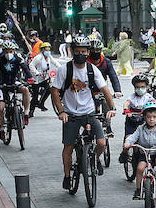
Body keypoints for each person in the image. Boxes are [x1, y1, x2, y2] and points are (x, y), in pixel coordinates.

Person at [50, 35, 118, 192]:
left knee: (101, 142)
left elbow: (105, 89)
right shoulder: (64, 69)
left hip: (89, 112)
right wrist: (61, 112)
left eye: (83, 51)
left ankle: (95, 159)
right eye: (77, 51)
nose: (81, 54)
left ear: (88, 52)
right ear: (73, 51)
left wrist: (112, 107)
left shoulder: (92, 70)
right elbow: (55, 91)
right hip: (71, 114)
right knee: (68, 147)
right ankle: (67, 177)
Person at [123, 102, 156, 198]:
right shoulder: (140, 128)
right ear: (144, 117)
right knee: (140, 168)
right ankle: (138, 189)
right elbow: (133, 137)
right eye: (148, 117)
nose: (151, 119)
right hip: (144, 153)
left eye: (154, 117)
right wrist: (128, 142)